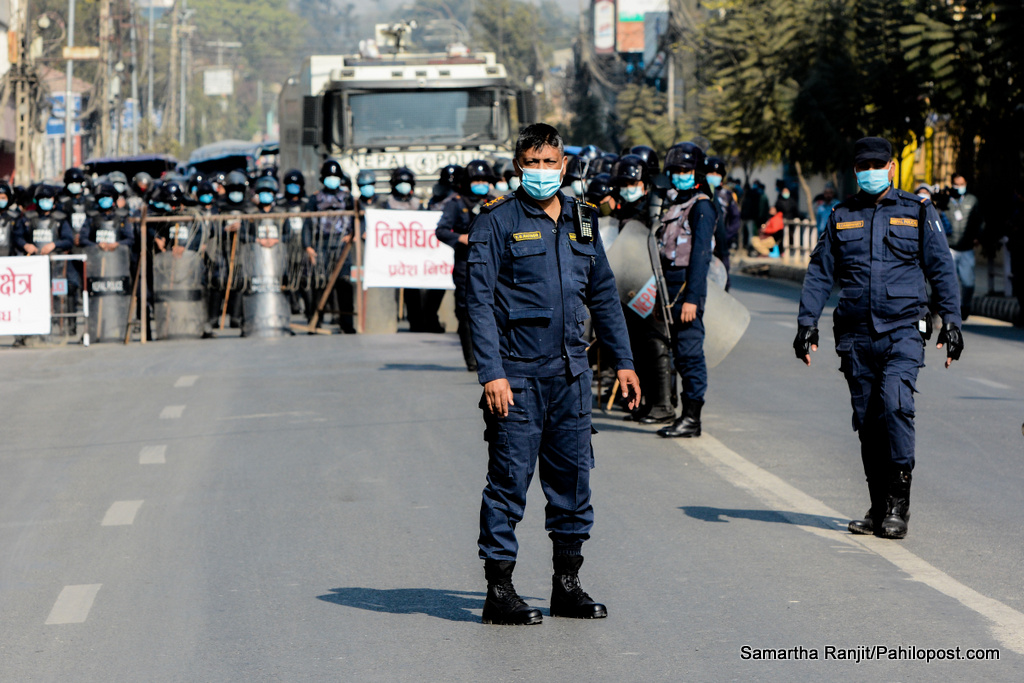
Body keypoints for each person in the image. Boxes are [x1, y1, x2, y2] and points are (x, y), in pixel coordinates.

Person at [466, 123, 640, 625]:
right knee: (508, 483)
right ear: (518, 166)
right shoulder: (496, 222)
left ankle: (567, 584)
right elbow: (478, 302)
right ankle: (499, 591)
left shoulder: (583, 220)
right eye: (532, 162)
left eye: (551, 162)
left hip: (571, 376)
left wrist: (624, 362)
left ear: (564, 166)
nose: (542, 172)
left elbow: (604, 295)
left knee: (573, 481)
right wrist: (491, 373)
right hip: (516, 377)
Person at [795, 136, 963, 540]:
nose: (871, 171)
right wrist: (806, 324)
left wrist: (952, 322)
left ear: (891, 167)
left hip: (903, 330)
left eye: (878, 164)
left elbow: (940, 268)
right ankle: (877, 506)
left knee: (895, 405)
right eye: (863, 165)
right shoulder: (841, 215)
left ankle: (898, 507)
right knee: (868, 423)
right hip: (855, 335)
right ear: (855, 171)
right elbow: (820, 273)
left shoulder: (918, 212)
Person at [655, 142, 717, 438]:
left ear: (697, 172)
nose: (680, 174)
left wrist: (692, 298)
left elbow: (701, 256)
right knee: (678, 354)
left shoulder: (701, 206)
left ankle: (693, 418)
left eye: (686, 170)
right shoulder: (676, 203)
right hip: (669, 290)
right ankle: (683, 415)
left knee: (690, 355)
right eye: (676, 170)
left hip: (686, 290)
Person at [435, 160, 495, 371]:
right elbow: (441, 230)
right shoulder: (455, 203)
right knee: (466, 312)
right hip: (465, 265)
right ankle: (472, 360)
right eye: (477, 180)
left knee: (493, 311)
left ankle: (491, 357)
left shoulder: (496, 202)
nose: (481, 184)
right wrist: (461, 238)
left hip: (492, 265)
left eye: (485, 180)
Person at [303, 159, 356, 332]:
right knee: (319, 284)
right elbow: (308, 224)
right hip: (321, 244)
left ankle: (347, 323)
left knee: (344, 285)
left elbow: (356, 219)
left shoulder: (348, 199)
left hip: (342, 245)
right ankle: (315, 321)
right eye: (329, 176)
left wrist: (352, 235)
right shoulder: (315, 198)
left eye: (335, 176)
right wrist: (308, 246)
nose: (332, 179)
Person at [944, 172, 983, 319]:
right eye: (956, 184)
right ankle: (952, 310)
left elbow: (979, 220)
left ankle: (965, 305)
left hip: (966, 248)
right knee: (949, 282)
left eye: (962, 184)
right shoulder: (946, 200)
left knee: (968, 283)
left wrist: (978, 237)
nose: (959, 187)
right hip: (950, 247)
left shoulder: (972, 200)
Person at [704, 155, 741, 288]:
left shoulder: (727, 195)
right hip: (704, 243)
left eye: (717, 174)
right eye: (711, 173)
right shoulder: (702, 193)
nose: (713, 176)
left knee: (723, 281)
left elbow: (735, 219)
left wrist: (725, 236)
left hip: (721, 246)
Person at [0, 181, 19, 256]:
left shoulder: (14, 217)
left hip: (10, 258)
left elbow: (19, 237)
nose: (0, 200)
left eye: (3, 198)